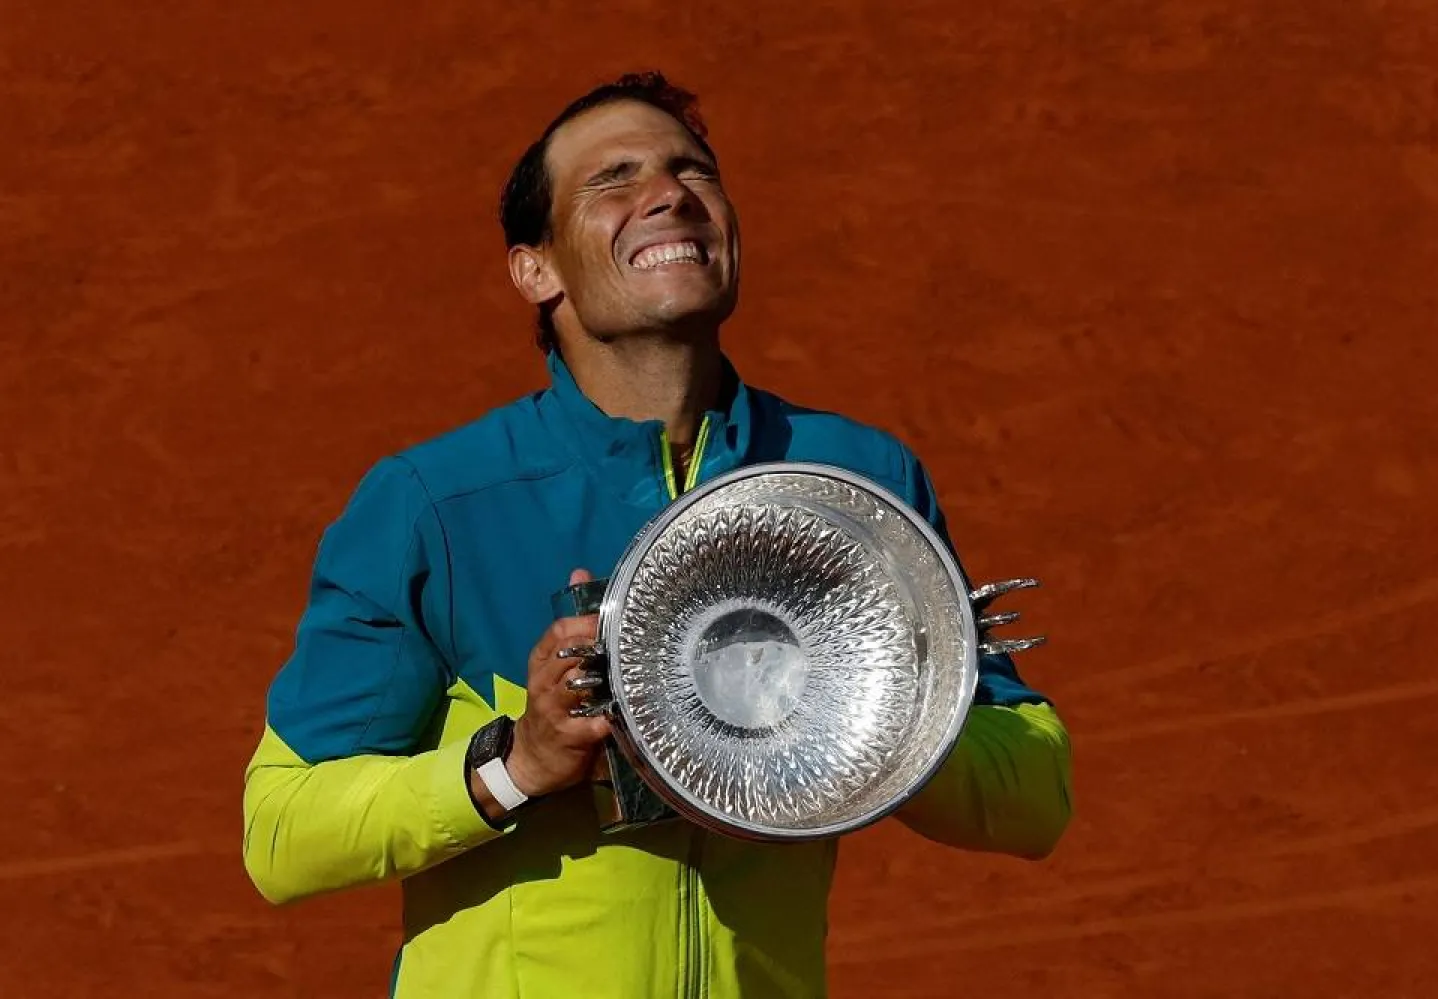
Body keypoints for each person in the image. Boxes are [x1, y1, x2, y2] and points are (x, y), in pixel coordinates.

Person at [242, 71, 1074, 999]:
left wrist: (874, 721)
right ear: (536, 267)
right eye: (612, 180)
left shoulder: (854, 487)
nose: (669, 194)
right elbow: (281, 830)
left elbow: (1031, 793)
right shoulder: (436, 503)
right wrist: (515, 766)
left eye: (694, 172)